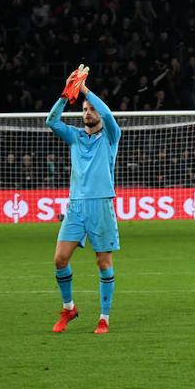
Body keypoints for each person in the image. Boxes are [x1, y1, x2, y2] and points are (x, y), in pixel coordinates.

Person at [46, 65, 121, 335]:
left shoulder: (111, 138)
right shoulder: (76, 137)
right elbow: (52, 122)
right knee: (60, 259)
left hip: (101, 204)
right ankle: (69, 308)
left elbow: (110, 115)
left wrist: (84, 89)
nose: (87, 112)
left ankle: (104, 318)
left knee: (103, 261)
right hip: (76, 206)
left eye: (91, 109)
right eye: (84, 109)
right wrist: (66, 95)